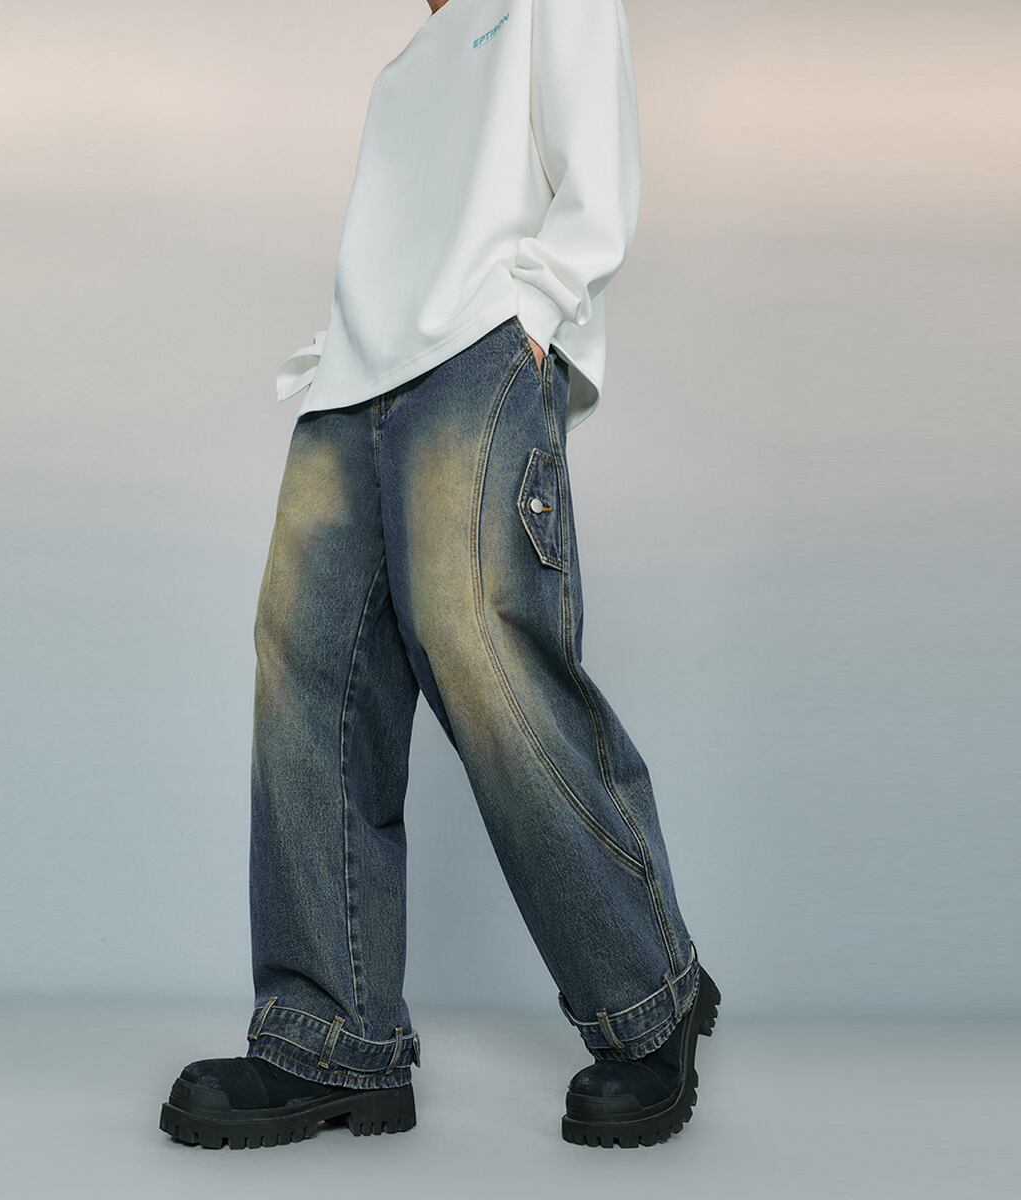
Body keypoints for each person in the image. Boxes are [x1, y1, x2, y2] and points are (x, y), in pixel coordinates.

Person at [159, 0, 719, 1151]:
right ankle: (329, 1038)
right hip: (351, 384)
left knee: (478, 638)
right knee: (306, 669)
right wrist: (342, 359)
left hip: (476, 352)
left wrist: (537, 314)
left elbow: (596, 169)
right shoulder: (407, 63)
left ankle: (649, 993)